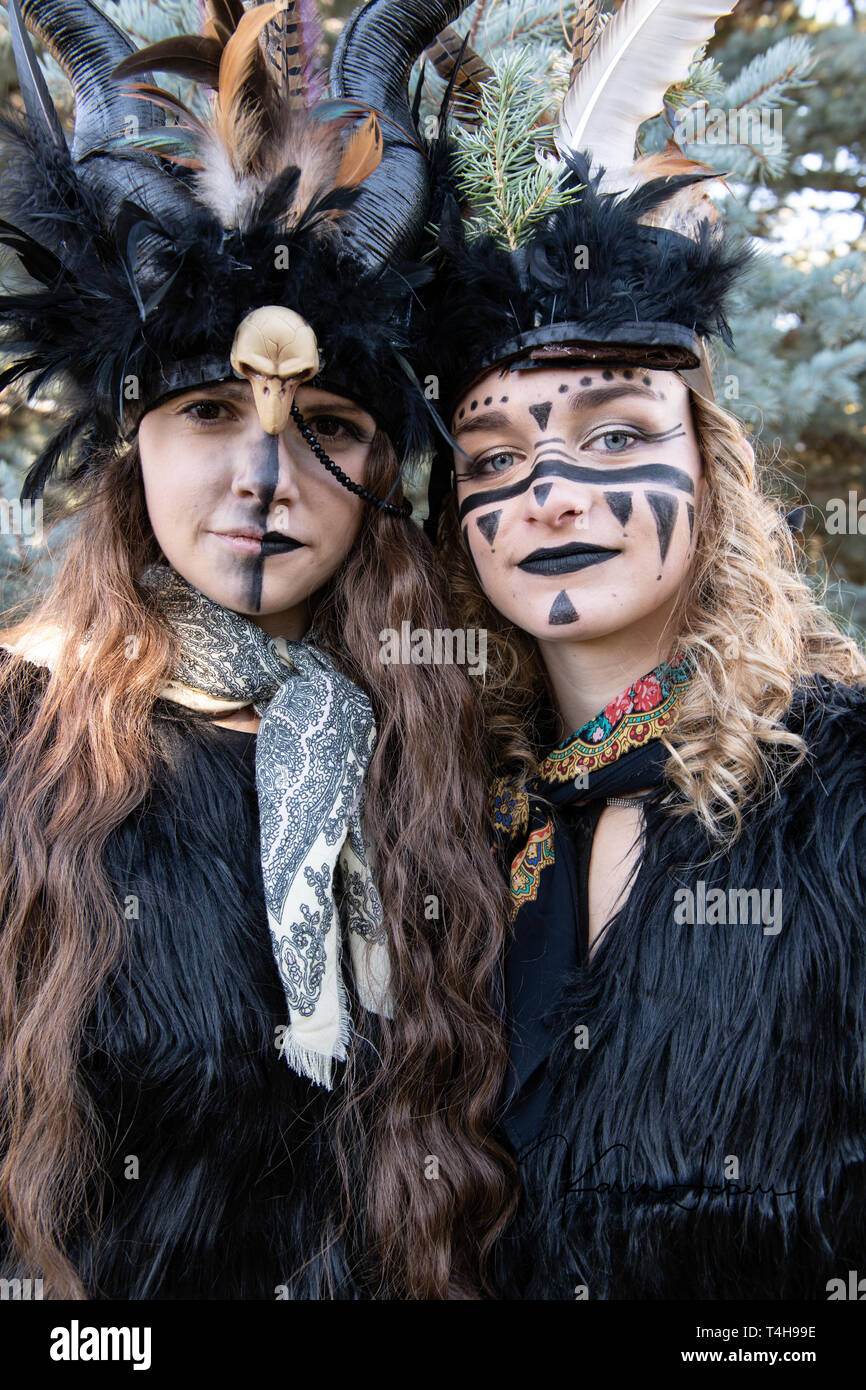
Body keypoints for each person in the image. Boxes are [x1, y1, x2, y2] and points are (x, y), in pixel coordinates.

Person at [0, 0, 514, 1300]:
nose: (265, 476)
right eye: (212, 409)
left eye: (329, 423)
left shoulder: (447, 749)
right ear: (130, 449)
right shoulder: (18, 732)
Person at [418, 0, 866, 1298]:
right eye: (495, 458)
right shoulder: (458, 820)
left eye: (614, 434)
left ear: (709, 475)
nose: (548, 491)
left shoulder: (840, 789)